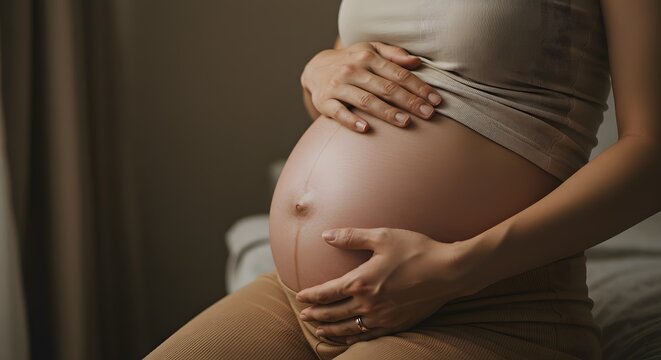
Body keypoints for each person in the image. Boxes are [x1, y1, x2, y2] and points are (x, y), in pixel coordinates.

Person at [145, 1, 660, 359]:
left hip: (484, 307)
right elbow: (358, 83)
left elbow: (651, 155)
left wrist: (458, 268)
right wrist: (319, 70)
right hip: (303, 303)